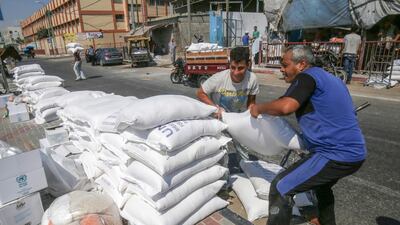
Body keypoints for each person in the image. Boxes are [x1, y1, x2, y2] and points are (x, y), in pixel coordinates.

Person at [249, 45, 366, 225]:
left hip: (334, 153)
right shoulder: (330, 79)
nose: (282, 69)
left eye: (285, 65)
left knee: (281, 187)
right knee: (321, 186)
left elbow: (286, 106)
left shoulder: (306, 77)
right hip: (355, 153)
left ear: (302, 64)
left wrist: (258, 108)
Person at [197, 46, 260, 171]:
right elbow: (200, 93)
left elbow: (251, 102)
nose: (236, 72)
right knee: (221, 150)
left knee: (243, 146)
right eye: (233, 67)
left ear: (248, 64)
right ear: (229, 64)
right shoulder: (219, 78)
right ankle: (221, 177)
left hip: (236, 119)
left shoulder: (252, 79)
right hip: (218, 119)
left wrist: (251, 118)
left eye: (241, 68)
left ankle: (246, 170)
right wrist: (215, 108)